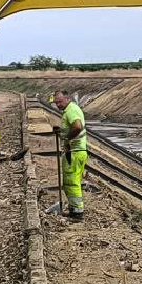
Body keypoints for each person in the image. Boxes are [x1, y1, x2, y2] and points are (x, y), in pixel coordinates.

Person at [52, 90, 88, 219]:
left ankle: (77, 213)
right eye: (56, 102)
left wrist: (67, 138)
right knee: (73, 182)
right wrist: (61, 131)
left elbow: (77, 127)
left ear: (67, 98)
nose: (58, 105)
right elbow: (72, 127)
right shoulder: (71, 109)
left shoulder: (71, 110)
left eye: (60, 101)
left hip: (74, 152)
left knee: (71, 182)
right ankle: (75, 210)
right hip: (78, 152)